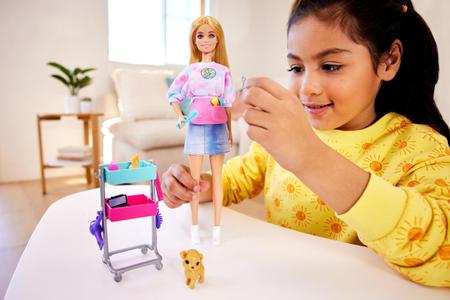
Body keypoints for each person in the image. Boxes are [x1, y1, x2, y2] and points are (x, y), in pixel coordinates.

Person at [162, 0, 450, 287]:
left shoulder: (419, 146)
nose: (308, 88)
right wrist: (198, 184)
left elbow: (442, 256)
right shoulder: (286, 130)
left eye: (331, 66)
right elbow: (240, 177)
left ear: (388, 60)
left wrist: (310, 157)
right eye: (296, 68)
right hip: (281, 283)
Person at [167, 16, 234, 245]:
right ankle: (194, 227)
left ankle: (217, 228)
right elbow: (174, 94)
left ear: (218, 39)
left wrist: (220, 103)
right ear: (194, 41)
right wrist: (180, 114)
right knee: (194, 181)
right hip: (196, 126)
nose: (205, 40)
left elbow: (229, 98)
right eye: (200, 35)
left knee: (217, 179)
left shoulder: (224, 71)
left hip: (217, 126)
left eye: (211, 35)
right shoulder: (190, 71)